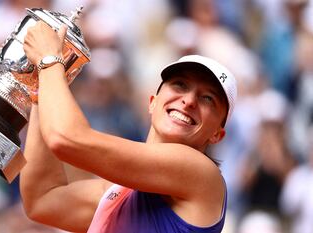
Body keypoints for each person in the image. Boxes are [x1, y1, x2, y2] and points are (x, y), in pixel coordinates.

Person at [20, 22, 237, 233]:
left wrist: (49, 60)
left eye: (208, 98)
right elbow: (42, 200)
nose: (189, 100)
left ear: (218, 134)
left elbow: (67, 139)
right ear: (152, 101)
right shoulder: (118, 193)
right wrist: (42, 88)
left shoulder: (200, 173)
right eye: (180, 84)